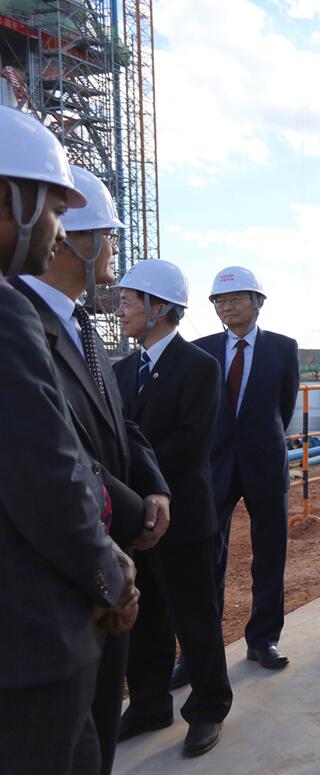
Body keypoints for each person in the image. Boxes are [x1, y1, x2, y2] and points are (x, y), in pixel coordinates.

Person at [12, 164, 171, 775]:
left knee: (98, 729)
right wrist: (119, 550)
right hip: (69, 571)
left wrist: (153, 488)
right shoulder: (22, 320)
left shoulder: (80, 325)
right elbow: (58, 460)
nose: (113, 250)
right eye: (106, 235)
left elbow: (120, 424)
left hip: (104, 556)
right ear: (70, 241)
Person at [0, 104, 138, 775]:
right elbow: (48, 472)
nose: (56, 231)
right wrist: (108, 573)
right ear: (8, 197)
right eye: (54, 209)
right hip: (28, 645)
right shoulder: (7, 312)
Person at [111, 260, 233, 758]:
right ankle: (149, 704)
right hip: (134, 517)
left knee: (194, 616)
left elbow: (190, 442)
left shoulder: (199, 366)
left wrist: (139, 483)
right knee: (144, 618)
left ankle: (208, 708)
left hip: (182, 516)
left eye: (127, 301)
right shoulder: (120, 371)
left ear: (158, 307)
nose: (119, 310)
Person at [193, 267, 300, 672]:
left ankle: (263, 639)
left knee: (270, 555)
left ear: (258, 302)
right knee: (207, 559)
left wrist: (260, 440)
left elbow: (284, 406)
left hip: (265, 464)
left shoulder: (282, 348)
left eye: (237, 298)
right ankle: (202, 648)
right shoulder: (201, 349)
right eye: (220, 300)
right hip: (214, 466)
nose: (228, 306)